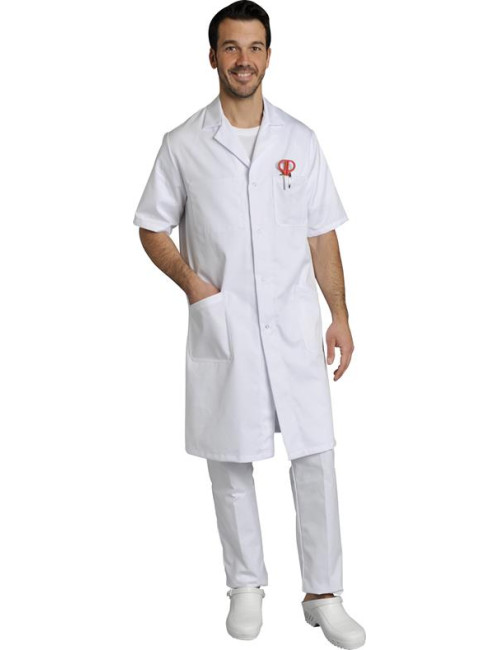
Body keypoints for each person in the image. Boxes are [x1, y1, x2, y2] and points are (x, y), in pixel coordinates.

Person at [133, 1, 365, 647]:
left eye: (255, 47)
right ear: (212, 56)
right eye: (231, 47)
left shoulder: (299, 140)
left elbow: (321, 234)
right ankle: (245, 585)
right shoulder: (183, 143)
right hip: (227, 327)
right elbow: (151, 225)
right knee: (231, 460)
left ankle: (324, 594)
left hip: (294, 329)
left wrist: (340, 314)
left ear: (268, 56)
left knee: (315, 458)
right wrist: (195, 286)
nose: (243, 60)